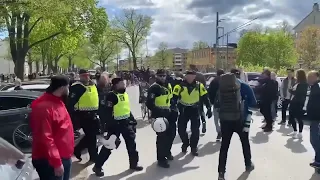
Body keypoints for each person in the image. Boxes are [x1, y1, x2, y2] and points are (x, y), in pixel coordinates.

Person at [93, 78, 143, 177]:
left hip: (126, 123)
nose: (124, 85)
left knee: (132, 144)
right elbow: (106, 113)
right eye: (121, 84)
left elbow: (127, 109)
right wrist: (108, 125)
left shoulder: (125, 94)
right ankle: (97, 167)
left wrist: (132, 121)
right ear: (115, 85)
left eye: (124, 83)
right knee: (109, 146)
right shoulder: (111, 96)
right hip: (115, 125)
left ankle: (134, 164)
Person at [30, 75, 74, 180]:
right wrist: (56, 162)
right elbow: (45, 138)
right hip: (49, 161)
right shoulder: (44, 107)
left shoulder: (57, 102)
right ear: (63, 88)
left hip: (62, 156)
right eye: (68, 87)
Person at [217, 69, 257, 180]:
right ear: (239, 75)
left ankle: (221, 173)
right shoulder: (244, 85)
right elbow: (253, 102)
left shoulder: (222, 86)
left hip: (225, 120)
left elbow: (216, 102)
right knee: (245, 143)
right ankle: (248, 165)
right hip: (240, 120)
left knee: (224, 147)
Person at [172, 70, 212, 156]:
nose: (190, 77)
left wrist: (209, 108)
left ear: (195, 76)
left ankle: (194, 147)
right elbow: (174, 98)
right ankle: (185, 143)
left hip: (195, 109)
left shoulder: (199, 86)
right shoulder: (179, 86)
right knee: (181, 129)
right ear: (185, 76)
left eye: (192, 76)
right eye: (188, 76)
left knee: (195, 130)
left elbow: (205, 97)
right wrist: (173, 106)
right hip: (183, 110)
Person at [146, 69, 177, 168]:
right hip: (159, 116)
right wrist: (160, 111)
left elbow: (171, 99)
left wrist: (174, 108)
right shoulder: (154, 88)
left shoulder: (168, 85)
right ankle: (161, 159)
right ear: (156, 76)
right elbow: (149, 103)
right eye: (160, 76)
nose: (163, 77)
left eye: (164, 76)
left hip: (169, 114)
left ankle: (167, 152)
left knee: (171, 135)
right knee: (162, 138)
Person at [68, 69, 100, 163]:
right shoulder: (77, 87)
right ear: (80, 76)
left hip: (93, 114)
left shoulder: (93, 85)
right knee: (92, 137)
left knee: (92, 136)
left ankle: (77, 149)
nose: (86, 77)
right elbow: (70, 103)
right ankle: (94, 157)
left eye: (87, 75)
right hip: (82, 115)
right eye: (84, 75)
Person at [287, 69, 308, 139]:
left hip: (298, 102)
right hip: (293, 102)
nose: (295, 75)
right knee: (291, 117)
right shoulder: (297, 82)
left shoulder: (304, 84)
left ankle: (300, 133)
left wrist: (290, 91)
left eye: (297, 74)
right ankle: (295, 131)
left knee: (299, 118)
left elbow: (299, 93)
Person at [306, 71, 320, 170]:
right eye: (308, 77)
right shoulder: (314, 87)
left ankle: (318, 160)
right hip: (314, 117)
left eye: (311, 77)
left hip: (317, 118)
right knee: (315, 139)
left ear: (317, 77)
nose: (309, 79)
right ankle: (318, 159)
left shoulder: (317, 86)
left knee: (315, 140)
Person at [190, 65, 207, 134]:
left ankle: (196, 125)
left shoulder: (190, 76)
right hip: (200, 95)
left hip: (193, 96)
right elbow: (204, 85)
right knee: (201, 109)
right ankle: (203, 121)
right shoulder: (201, 75)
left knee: (194, 111)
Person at [208, 69, 225, 141]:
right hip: (225, 103)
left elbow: (210, 92)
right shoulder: (226, 81)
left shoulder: (214, 81)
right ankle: (223, 130)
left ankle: (219, 131)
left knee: (216, 118)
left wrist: (211, 102)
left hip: (216, 103)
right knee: (223, 118)